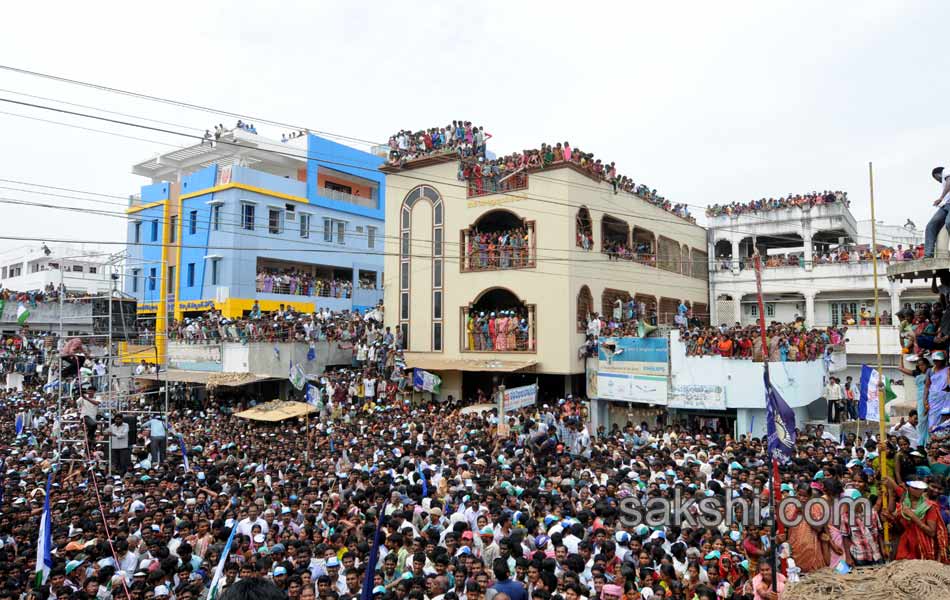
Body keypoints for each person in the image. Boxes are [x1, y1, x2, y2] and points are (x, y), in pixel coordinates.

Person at [925, 166, 950, 258]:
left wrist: (941, 198)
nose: (938, 181)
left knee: (949, 222)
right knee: (931, 225)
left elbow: (949, 182)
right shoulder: (944, 179)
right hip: (945, 205)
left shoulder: (946, 171)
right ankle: (928, 254)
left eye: (936, 179)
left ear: (937, 175)